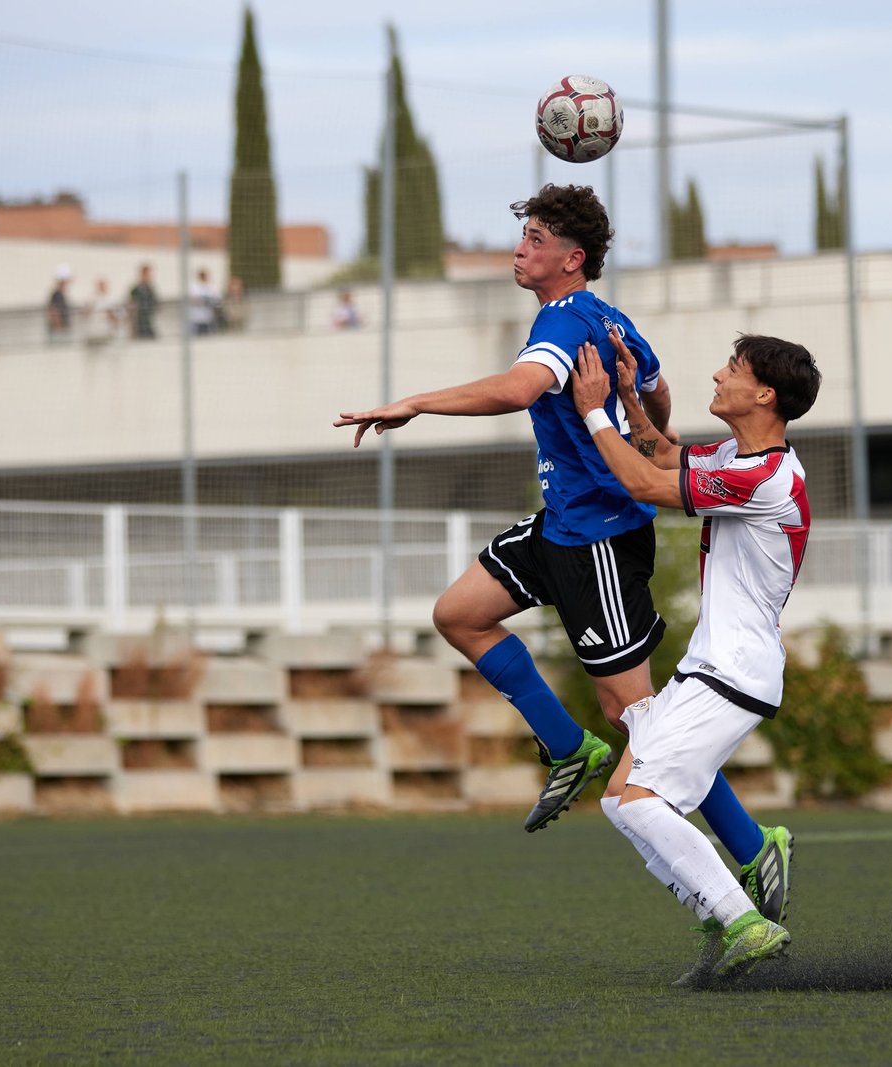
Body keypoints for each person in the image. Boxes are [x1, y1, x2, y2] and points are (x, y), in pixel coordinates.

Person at [334, 184, 791, 922]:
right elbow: (661, 394)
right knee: (460, 613)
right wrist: (633, 417)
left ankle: (751, 842)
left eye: (537, 238)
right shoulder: (610, 320)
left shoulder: (567, 319)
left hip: (602, 540)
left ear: (571, 258)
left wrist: (415, 402)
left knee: (642, 726)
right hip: (562, 524)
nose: (521, 248)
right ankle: (566, 748)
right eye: (524, 236)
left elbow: (520, 389)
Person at [570, 328, 819, 986]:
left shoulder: (761, 476)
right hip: (713, 667)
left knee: (646, 801)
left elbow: (645, 482)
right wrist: (629, 397)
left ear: (762, 392)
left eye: (731, 368)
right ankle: (717, 914)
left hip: (733, 672)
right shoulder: (742, 459)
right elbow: (666, 452)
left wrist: (592, 409)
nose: (716, 374)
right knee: (620, 799)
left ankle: (746, 923)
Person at [83, 277, 124, 347]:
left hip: (108, 333)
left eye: (103, 285)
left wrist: (112, 316)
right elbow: (84, 315)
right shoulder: (90, 299)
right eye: (99, 285)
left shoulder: (113, 299)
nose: (101, 287)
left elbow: (120, 318)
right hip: (93, 333)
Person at [128, 264, 158, 340]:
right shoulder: (136, 289)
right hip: (140, 325)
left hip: (149, 323)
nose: (151, 276)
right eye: (149, 274)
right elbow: (132, 308)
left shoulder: (150, 289)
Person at [46, 265, 73, 343]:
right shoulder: (56, 294)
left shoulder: (62, 294)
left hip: (62, 329)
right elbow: (53, 312)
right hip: (58, 332)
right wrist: (59, 328)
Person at [189, 268, 218, 336]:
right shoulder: (194, 287)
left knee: (208, 336)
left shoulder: (212, 287)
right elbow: (193, 300)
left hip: (208, 318)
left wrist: (203, 300)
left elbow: (216, 300)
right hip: (196, 318)